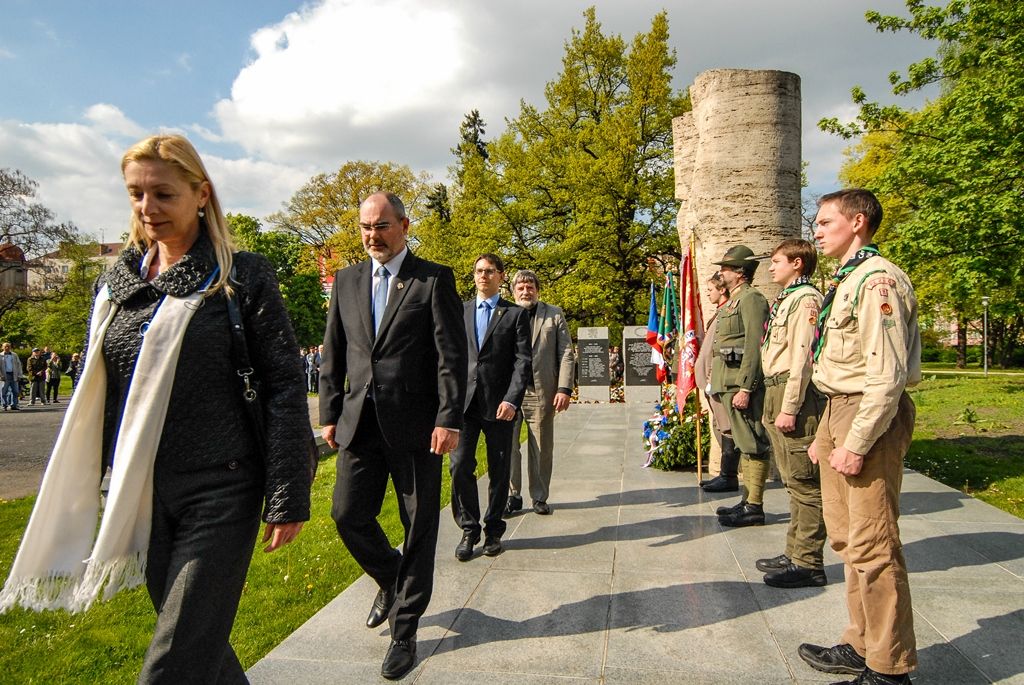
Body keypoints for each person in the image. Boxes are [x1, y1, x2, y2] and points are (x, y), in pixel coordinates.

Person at [0, 134, 312, 684]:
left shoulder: (242, 274)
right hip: (143, 492)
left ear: (200, 195)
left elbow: (285, 383)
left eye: (163, 194)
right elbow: (102, 390)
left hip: (223, 488)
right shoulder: (117, 283)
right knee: (202, 649)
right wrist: (91, 477)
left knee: (172, 661)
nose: (148, 209)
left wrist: (287, 494)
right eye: (136, 194)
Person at [319, 191, 467, 680]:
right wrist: (329, 413)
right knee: (346, 514)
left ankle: (405, 633)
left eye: (381, 226)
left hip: (417, 428)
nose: (371, 236)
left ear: (404, 225)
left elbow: (451, 358)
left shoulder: (432, 279)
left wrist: (448, 418)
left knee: (419, 526)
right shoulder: (347, 280)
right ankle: (390, 576)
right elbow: (333, 354)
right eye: (365, 227)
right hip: (359, 425)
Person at [797, 189, 921, 685]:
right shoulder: (848, 278)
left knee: (874, 544)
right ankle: (861, 642)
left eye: (826, 222)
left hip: (868, 413)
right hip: (839, 409)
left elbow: (886, 375)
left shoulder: (876, 281)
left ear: (859, 222)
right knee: (848, 539)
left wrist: (856, 440)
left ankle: (890, 668)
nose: (818, 231)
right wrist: (827, 435)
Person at [754, 239, 827, 588]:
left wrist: (790, 406)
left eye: (777, 261)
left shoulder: (806, 300)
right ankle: (794, 551)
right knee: (791, 480)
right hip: (776, 387)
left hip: (791, 392)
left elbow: (803, 358)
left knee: (805, 482)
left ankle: (809, 563)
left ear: (797, 263)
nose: (771, 267)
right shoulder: (788, 299)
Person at [450, 254, 531, 558]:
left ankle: (493, 529)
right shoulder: (460, 312)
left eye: (490, 271)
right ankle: (468, 529)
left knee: (499, 470)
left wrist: (512, 399)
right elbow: (450, 357)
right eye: (479, 271)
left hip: (500, 405)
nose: (483, 276)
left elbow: (523, 362)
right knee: (459, 467)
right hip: (465, 405)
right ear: (474, 276)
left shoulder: (514, 315)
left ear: (501, 276)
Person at [710, 245, 772, 527]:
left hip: (740, 385)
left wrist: (747, 387)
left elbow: (754, 346)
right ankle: (748, 501)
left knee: (752, 444)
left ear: (739, 273)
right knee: (743, 444)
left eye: (725, 268)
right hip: (728, 383)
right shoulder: (734, 300)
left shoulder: (751, 300)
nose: (720, 273)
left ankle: (755, 506)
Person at [506, 268, 574, 516]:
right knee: (508, 446)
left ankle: (539, 496)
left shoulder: (553, 314)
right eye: (521, 288)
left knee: (542, 447)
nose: (526, 291)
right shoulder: (505, 313)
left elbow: (566, 352)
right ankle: (512, 494)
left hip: (541, 391)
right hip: (509, 395)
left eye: (530, 287)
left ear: (537, 290)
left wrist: (564, 388)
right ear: (513, 291)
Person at [695, 272, 738, 491]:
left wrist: (714, 377)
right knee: (720, 427)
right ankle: (725, 474)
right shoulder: (719, 313)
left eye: (711, 289)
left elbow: (729, 349)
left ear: (722, 290)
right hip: (712, 381)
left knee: (727, 428)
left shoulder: (729, 313)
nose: (708, 293)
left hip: (720, 380)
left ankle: (728, 476)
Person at [1, 342, 23, 411]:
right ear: (2, 347)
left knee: (15, 391)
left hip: (14, 375)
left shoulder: (14, 355)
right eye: (5, 346)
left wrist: (20, 375)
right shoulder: (0, 355)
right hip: (4, 376)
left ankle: (14, 405)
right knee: (3, 391)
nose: (7, 348)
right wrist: (0, 376)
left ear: (10, 347)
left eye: (8, 346)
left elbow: (19, 365)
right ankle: (4, 405)